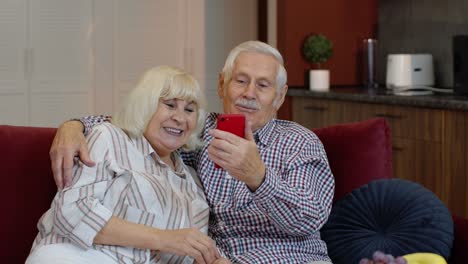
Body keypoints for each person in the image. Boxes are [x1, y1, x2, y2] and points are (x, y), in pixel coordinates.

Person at [49, 41, 335, 264]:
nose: (249, 93)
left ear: (280, 96)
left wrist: (258, 176)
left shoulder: (299, 142)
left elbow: (309, 220)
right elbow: (140, 121)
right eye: (240, 80)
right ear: (222, 84)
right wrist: (74, 126)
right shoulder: (197, 130)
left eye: (263, 85)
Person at [27, 66, 230, 264]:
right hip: (76, 255)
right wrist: (163, 238)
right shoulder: (109, 137)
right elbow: (72, 212)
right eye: (169, 105)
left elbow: (187, 251)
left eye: (189, 110)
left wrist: (212, 260)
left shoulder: (192, 185)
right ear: (145, 106)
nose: (179, 118)